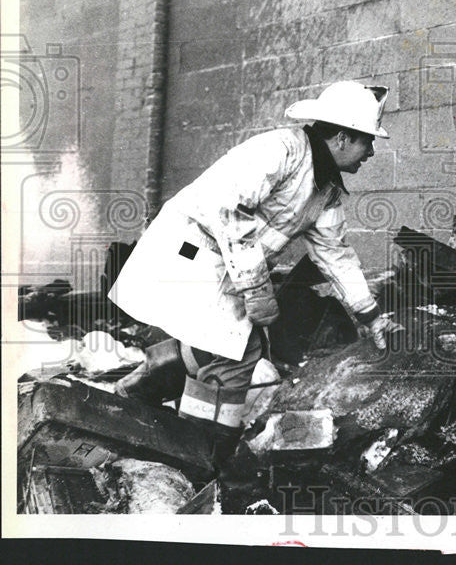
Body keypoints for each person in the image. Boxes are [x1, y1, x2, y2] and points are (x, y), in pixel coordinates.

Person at [109, 81, 402, 461]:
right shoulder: (279, 150)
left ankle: (141, 392)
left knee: (222, 344)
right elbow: (228, 210)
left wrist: (370, 314)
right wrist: (255, 286)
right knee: (238, 351)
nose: (372, 152)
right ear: (344, 138)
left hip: (225, 261)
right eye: (368, 142)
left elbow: (335, 254)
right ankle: (204, 453)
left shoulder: (325, 188)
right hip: (192, 248)